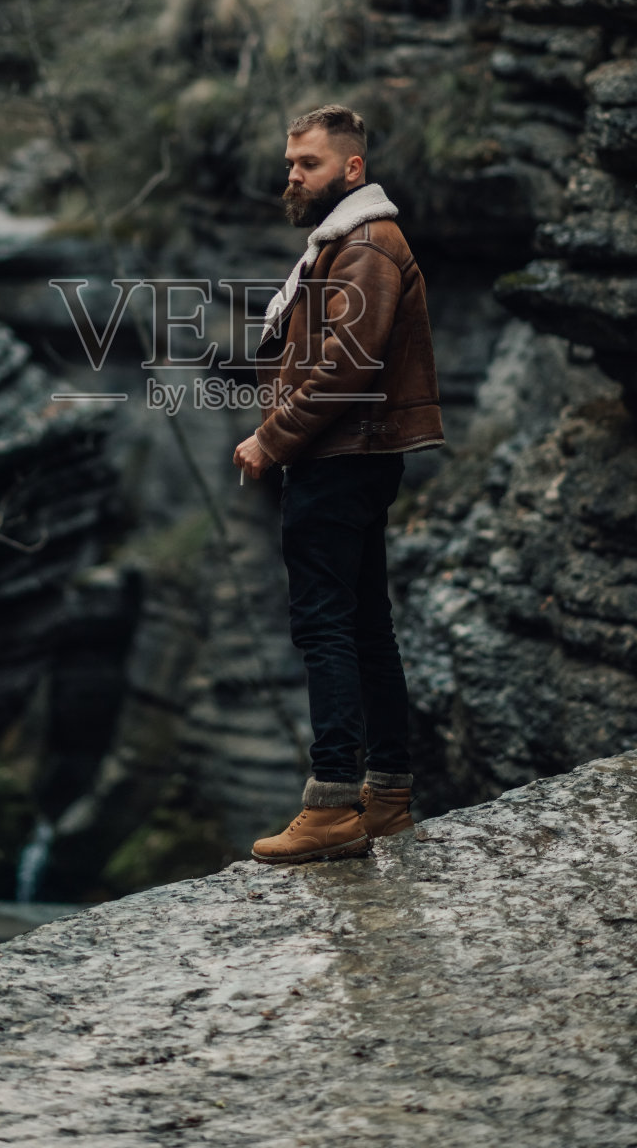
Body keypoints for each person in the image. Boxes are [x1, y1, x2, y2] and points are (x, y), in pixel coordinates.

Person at [233, 104, 444, 863]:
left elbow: (345, 368)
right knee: (362, 624)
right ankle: (385, 795)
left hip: (339, 456)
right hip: (352, 456)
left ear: (350, 170)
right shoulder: (348, 242)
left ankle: (331, 804)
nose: (292, 175)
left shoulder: (366, 246)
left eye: (308, 164)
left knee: (324, 624)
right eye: (290, 163)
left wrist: (271, 437)